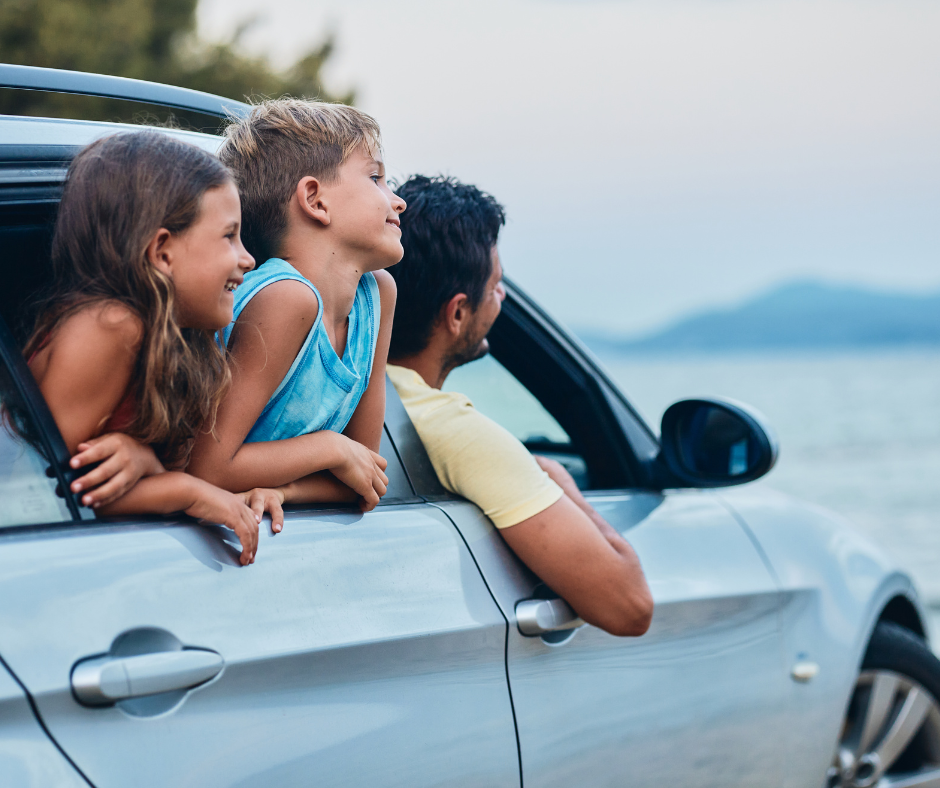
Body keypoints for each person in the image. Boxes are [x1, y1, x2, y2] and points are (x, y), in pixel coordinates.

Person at [386, 176, 653, 637]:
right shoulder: (452, 429)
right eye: (496, 287)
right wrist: (563, 486)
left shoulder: (351, 392)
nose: (502, 299)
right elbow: (629, 607)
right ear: (456, 314)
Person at [26, 131, 272, 565]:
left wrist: (148, 465)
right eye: (229, 236)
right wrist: (187, 491)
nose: (247, 258)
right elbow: (44, 491)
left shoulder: (175, 344)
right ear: (161, 251)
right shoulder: (110, 327)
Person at [188, 100, 401, 512]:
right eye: (375, 178)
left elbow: (367, 476)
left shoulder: (377, 296)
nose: (397, 201)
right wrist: (329, 449)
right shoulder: (286, 298)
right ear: (315, 200)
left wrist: (286, 491)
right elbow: (208, 468)